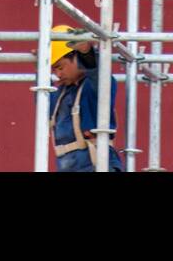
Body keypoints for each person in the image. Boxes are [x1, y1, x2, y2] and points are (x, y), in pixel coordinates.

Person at [47, 25, 124, 172]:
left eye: (60, 67)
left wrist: (86, 53)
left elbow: (99, 77)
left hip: (96, 164)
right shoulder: (62, 94)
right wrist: (40, 70)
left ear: (76, 57)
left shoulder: (91, 87)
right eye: (53, 69)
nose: (57, 74)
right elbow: (44, 107)